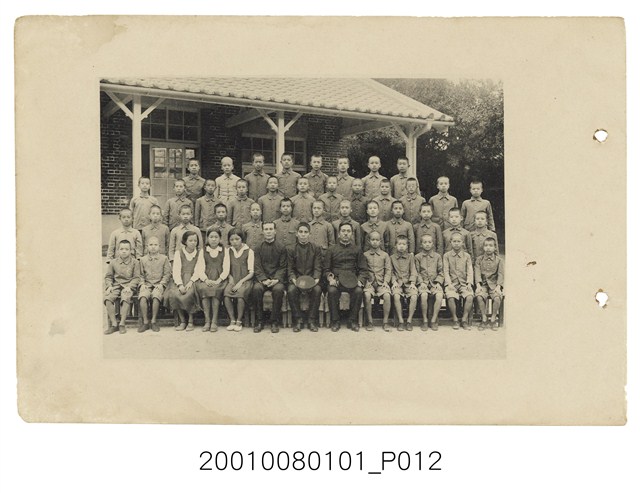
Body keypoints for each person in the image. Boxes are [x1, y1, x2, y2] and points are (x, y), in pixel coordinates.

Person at [325, 222, 370, 332]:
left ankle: (352, 320)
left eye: (348, 231)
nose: (346, 233)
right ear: (339, 234)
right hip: (337, 281)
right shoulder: (331, 249)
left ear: (352, 234)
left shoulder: (357, 250)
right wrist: (330, 278)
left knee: (358, 291)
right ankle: (335, 321)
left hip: (352, 281)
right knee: (332, 291)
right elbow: (326, 269)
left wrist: (360, 280)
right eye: (343, 231)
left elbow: (363, 269)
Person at [287, 222, 323, 332]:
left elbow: (317, 266)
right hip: (297, 280)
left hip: (311, 279)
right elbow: (290, 268)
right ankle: (298, 320)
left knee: (317, 289)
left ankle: (311, 320)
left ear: (309, 234)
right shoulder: (291, 249)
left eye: (306, 232)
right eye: (301, 232)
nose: (303, 234)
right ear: (297, 234)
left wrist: (316, 279)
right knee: (291, 290)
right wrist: (294, 280)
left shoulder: (316, 248)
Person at [251, 222, 287, 333]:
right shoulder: (258, 248)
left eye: (271, 229)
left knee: (278, 289)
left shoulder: (281, 247)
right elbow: (257, 266)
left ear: (275, 231)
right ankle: (260, 321)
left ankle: (274, 321)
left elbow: (283, 266)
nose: (268, 231)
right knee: (256, 289)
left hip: (276, 280)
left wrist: (276, 279)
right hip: (263, 279)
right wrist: (263, 279)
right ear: (262, 232)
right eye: (266, 229)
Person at [194, 227, 229, 333]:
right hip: (206, 278)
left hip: (220, 279)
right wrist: (205, 279)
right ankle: (207, 321)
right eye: (211, 237)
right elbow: (200, 268)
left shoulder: (225, 250)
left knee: (216, 291)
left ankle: (214, 321)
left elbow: (226, 268)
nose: (213, 239)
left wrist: (219, 280)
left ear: (220, 238)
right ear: (207, 238)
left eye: (216, 237)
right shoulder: (203, 251)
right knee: (204, 289)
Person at [166, 230, 201, 331]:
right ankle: (182, 321)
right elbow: (176, 270)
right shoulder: (179, 253)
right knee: (175, 294)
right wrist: (180, 284)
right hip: (180, 279)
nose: (193, 243)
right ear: (185, 241)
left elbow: (198, 270)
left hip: (193, 279)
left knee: (190, 293)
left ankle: (190, 320)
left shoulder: (199, 253)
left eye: (195, 240)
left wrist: (191, 281)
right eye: (190, 240)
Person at [103, 240, 140, 335]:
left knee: (126, 297)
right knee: (107, 299)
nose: (124, 251)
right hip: (116, 285)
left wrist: (130, 286)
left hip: (128, 286)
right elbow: (108, 277)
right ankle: (114, 324)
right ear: (118, 250)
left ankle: (122, 324)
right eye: (121, 249)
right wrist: (109, 286)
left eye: (126, 249)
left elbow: (136, 277)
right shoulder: (113, 262)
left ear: (131, 250)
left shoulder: (135, 262)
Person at [223, 228, 255, 332]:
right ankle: (232, 319)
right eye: (232, 239)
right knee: (226, 294)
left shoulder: (249, 251)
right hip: (233, 279)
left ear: (242, 239)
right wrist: (230, 278)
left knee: (240, 295)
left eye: (237, 239)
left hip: (245, 280)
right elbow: (226, 269)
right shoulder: (228, 251)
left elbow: (251, 272)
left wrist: (240, 282)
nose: (234, 242)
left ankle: (239, 320)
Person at [137, 236, 171, 333]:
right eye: (151, 245)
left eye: (155, 245)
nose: (153, 247)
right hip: (147, 284)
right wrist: (142, 284)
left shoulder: (164, 258)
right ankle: (145, 322)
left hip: (158, 284)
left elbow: (167, 274)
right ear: (147, 246)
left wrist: (161, 284)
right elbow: (140, 275)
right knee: (143, 296)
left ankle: (153, 321)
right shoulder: (143, 260)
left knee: (156, 296)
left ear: (159, 246)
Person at [443, 232, 474, 330]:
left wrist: (469, 283)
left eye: (458, 241)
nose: (456, 243)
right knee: (450, 296)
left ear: (462, 242)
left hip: (464, 283)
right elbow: (446, 271)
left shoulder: (467, 256)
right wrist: (449, 284)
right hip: (452, 283)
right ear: (450, 242)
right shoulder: (446, 256)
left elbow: (470, 270)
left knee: (469, 296)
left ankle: (464, 319)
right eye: (454, 241)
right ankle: (455, 319)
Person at [362, 231, 392, 331]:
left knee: (387, 295)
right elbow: (363, 270)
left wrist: (386, 282)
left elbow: (388, 270)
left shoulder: (385, 255)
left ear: (380, 241)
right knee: (367, 295)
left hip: (381, 283)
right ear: (369, 241)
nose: (375, 242)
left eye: (377, 240)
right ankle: (370, 321)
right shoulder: (365, 255)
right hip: (369, 283)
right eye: (372, 240)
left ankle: (385, 322)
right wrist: (366, 281)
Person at [415, 234, 444, 331]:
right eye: (425, 242)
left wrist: (438, 283)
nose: (427, 244)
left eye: (429, 242)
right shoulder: (417, 257)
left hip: (434, 283)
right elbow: (417, 272)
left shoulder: (437, 256)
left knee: (439, 295)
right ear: (421, 244)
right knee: (423, 295)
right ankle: (425, 320)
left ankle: (433, 319)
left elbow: (441, 272)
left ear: (433, 244)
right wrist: (421, 283)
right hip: (423, 283)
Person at [474, 237, 504, 330]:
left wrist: (498, 287)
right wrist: (478, 285)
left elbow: (501, 274)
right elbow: (477, 273)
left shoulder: (499, 260)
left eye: (491, 245)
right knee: (479, 296)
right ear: (483, 247)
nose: (488, 248)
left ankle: (493, 319)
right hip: (483, 285)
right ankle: (484, 318)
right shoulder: (479, 259)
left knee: (497, 297)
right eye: (486, 245)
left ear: (495, 247)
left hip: (494, 285)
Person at [390, 236, 419, 331]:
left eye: (404, 244)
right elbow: (391, 271)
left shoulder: (410, 257)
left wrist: (413, 283)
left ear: (407, 246)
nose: (401, 246)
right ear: (395, 246)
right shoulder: (392, 258)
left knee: (414, 296)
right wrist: (394, 281)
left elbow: (413, 270)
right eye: (399, 244)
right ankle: (401, 321)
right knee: (396, 295)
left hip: (408, 283)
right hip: (397, 283)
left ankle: (409, 320)